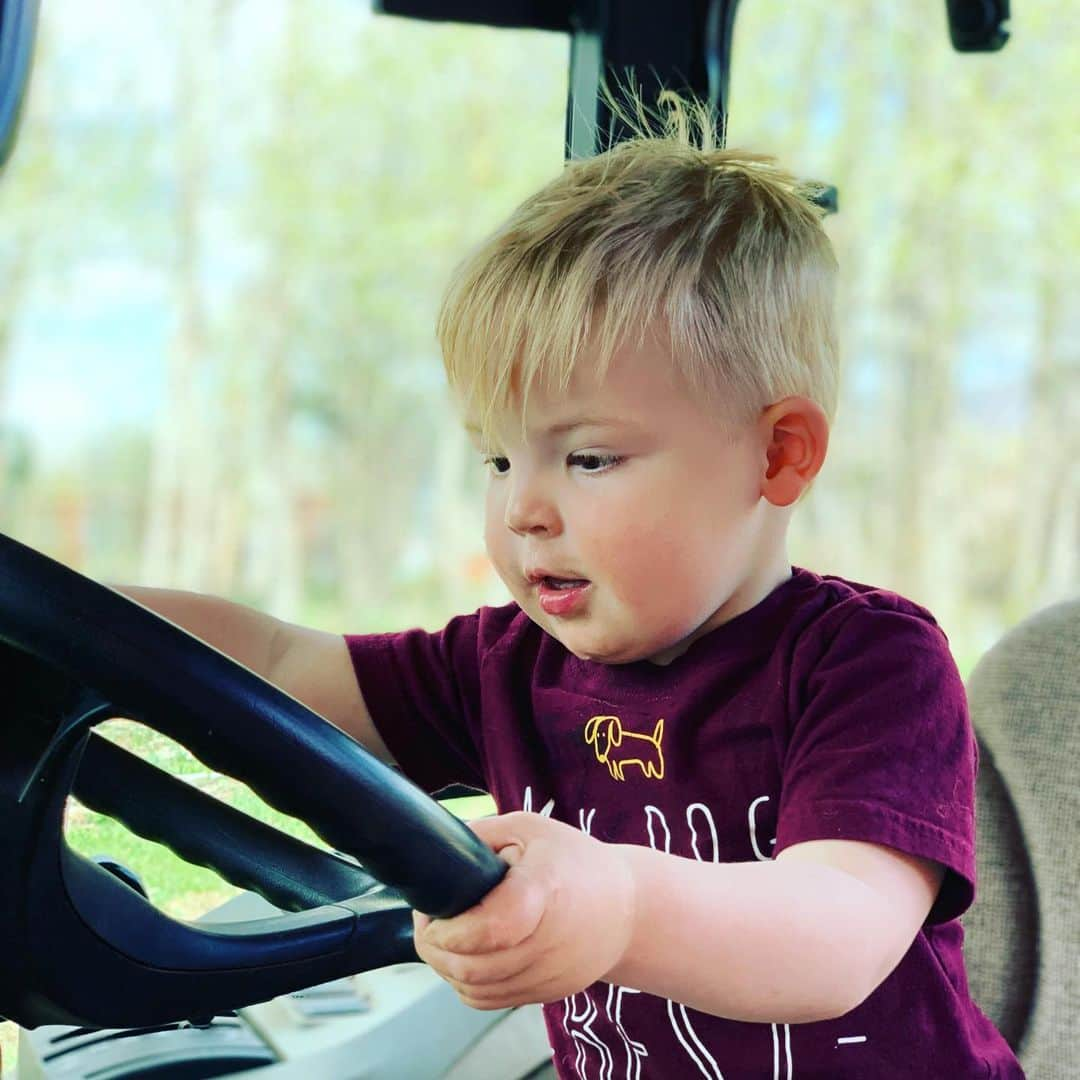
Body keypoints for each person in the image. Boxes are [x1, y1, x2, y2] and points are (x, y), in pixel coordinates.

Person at [123, 100, 1023, 1078]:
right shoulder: (507, 666)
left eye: (587, 458)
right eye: (497, 460)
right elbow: (275, 663)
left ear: (778, 453)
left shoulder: (867, 663)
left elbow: (838, 931)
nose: (523, 511)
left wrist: (621, 906)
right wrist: (67, 622)